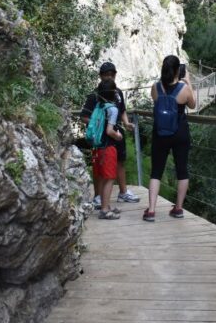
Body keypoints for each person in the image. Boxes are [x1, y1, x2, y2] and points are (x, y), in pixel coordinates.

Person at [143, 55, 196, 222]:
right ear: (177, 71)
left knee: (156, 172)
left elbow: (157, 103)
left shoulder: (155, 87)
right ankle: (178, 208)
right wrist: (188, 82)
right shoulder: (184, 89)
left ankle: (151, 211)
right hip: (180, 133)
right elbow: (193, 105)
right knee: (182, 170)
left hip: (160, 133)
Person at [80, 62, 140, 206]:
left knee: (120, 162)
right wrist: (100, 124)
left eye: (112, 74)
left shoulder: (117, 92)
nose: (109, 77)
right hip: (102, 138)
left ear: (115, 75)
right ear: (100, 76)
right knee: (99, 167)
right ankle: (98, 197)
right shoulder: (95, 95)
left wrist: (126, 123)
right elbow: (84, 116)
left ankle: (123, 193)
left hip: (117, 134)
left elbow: (123, 110)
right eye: (106, 74)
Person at [91, 79, 124, 220]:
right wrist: (118, 136)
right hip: (108, 148)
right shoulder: (112, 109)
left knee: (103, 177)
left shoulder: (99, 106)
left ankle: (106, 205)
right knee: (110, 178)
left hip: (97, 147)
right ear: (112, 93)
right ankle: (105, 210)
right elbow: (110, 130)